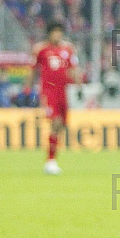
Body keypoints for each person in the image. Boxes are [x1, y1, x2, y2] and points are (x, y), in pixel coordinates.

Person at [24, 21, 81, 175]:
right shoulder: (40, 49)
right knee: (55, 123)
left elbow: (73, 69)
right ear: (49, 33)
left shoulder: (68, 49)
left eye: (59, 32)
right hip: (48, 92)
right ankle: (50, 161)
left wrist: (79, 85)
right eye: (55, 32)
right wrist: (27, 89)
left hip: (63, 92)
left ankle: (52, 159)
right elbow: (32, 70)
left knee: (61, 125)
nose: (57, 35)